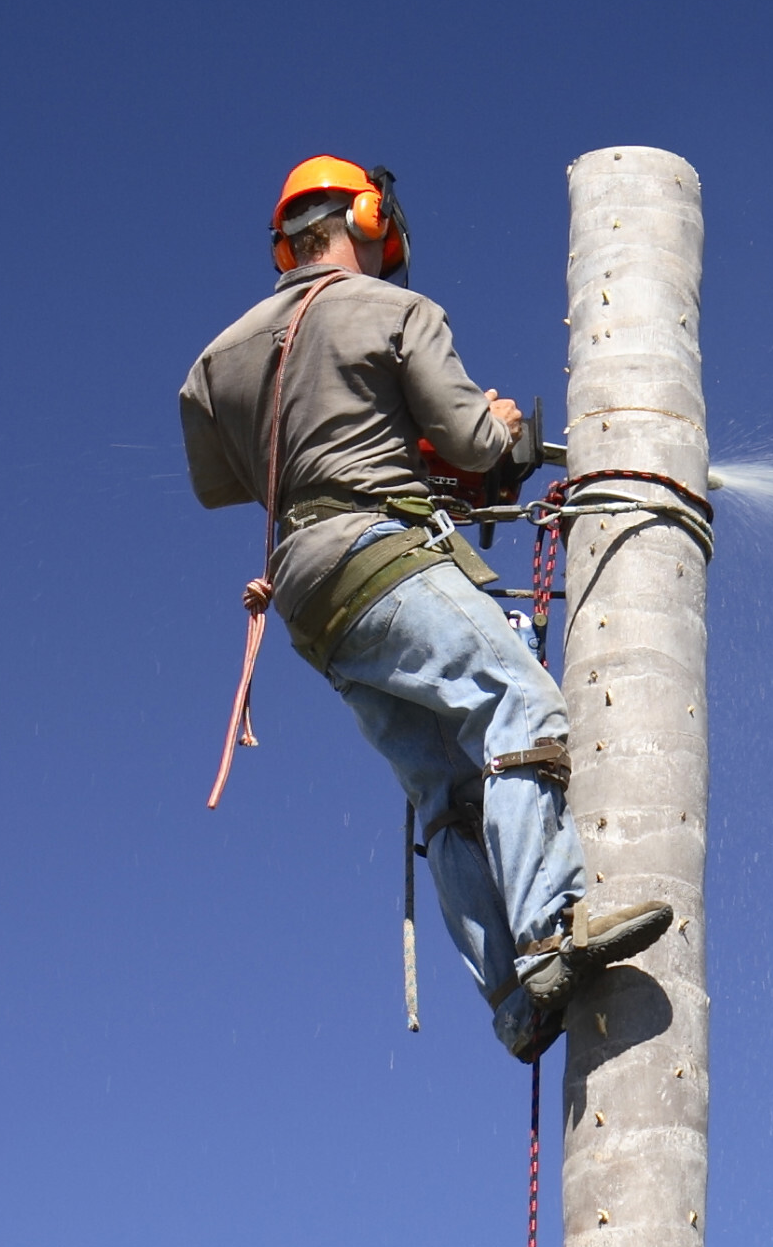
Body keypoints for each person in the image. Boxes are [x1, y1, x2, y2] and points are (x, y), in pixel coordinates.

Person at [180, 156, 668, 1061]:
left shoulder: (217, 361)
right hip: (381, 557)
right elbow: (480, 445)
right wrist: (499, 430)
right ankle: (550, 931)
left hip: (308, 597)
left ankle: (514, 1004)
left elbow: (231, 482)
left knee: (445, 789)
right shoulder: (399, 312)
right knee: (520, 706)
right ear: (364, 217)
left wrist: (383, 446)